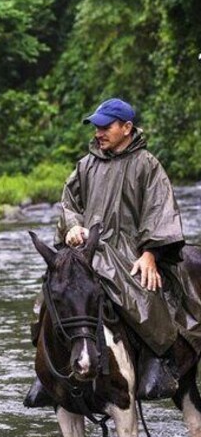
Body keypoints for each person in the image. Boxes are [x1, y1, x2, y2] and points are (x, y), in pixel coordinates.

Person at [25, 98, 201, 405]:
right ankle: (48, 374)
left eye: (105, 127)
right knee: (50, 294)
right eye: (96, 127)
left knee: (140, 296)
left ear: (127, 128)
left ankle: (159, 361)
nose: (98, 133)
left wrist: (150, 253)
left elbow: (160, 211)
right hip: (86, 249)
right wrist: (73, 227)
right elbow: (69, 204)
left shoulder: (147, 165)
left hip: (129, 250)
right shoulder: (86, 165)